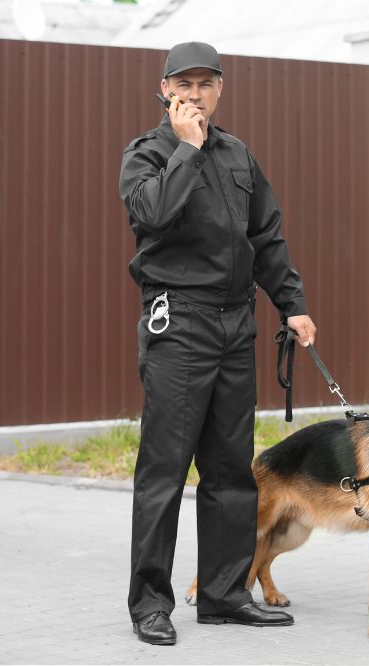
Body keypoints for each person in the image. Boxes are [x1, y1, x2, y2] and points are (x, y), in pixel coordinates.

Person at [119, 41, 316, 646]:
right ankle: (150, 604)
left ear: (220, 88)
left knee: (232, 471)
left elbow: (267, 237)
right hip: (178, 323)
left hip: (236, 326)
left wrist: (293, 304)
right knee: (165, 470)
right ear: (165, 90)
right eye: (184, 85)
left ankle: (225, 595)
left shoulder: (239, 156)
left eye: (206, 84)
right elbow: (152, 214)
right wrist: (187, 146)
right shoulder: (147, 155)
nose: (195, 95)